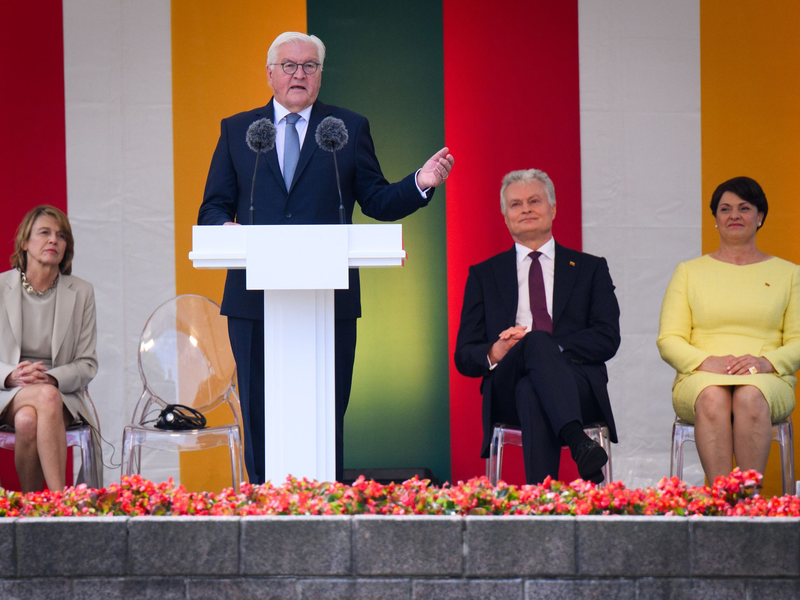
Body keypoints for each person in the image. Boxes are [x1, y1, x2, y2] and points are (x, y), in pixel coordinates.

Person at [198, 31, 454, 484]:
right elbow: (214, 205)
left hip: (328, 295)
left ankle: (326, 509)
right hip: (254, 300)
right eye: (290, 65)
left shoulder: (347, 129)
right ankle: (261, 504)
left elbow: (375, 199)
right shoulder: (238, 130)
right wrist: (225, 230)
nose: (299, 74)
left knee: (325, 408)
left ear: (320, 75)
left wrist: (421, 181)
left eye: (309, 66)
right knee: (258, 413)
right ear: (270, 74)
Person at [454, 169, 620, 484]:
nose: (526, 209)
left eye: (534, 201)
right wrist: (497, 350)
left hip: (576, 383)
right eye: (516, 204)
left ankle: (539, 501)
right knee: (529, 361)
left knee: (531, 385)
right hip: (506, 384)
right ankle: (578, 444)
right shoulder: (484, 275)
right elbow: (465, 355)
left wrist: (549, 348)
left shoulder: (590, 269)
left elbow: (608, 338)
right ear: (505, 217)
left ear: (553, 209)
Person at [657, 176, 800, 482]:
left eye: (744, 208)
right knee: (713, 395)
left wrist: (765, 363)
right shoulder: (688, 272)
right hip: (699, 376)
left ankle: (748, 505)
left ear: (760, 217)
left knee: (749, 395)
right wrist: (707, 363)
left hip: (767, 376)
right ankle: (721, 505)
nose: (734, 215)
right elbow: (669, 339)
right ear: (715, 219)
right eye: (725, 209)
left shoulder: (790, 274)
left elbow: (798, 340)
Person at [0, 205, 99, 492]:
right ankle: (60, 503)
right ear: (25, 242)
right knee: (44, 398)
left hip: (62, 394)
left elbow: (87, 364)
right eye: (44, 233)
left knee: (28, 419)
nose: (53, 240)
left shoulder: (82, 292)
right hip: (6, 391)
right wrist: (10, 375)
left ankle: (35, 509)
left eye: (61, 236)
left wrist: (52, 378)